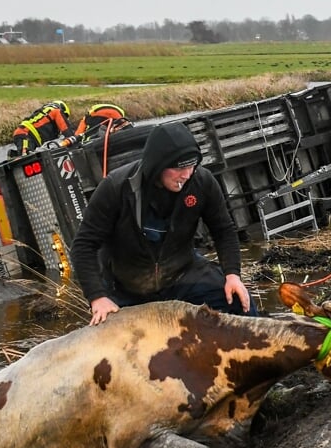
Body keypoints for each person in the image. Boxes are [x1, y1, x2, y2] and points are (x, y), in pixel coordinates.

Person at [72, 120, 252, 326]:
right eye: (179, 168)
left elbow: (224, 231)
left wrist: (232, 274)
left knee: (239, 303)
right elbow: (83, 245)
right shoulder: (116, 187)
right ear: (157, 164)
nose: (187, 175)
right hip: (127, 285)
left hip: (182, 273)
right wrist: (97, 296)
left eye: (192, 166)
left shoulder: (202, 182)